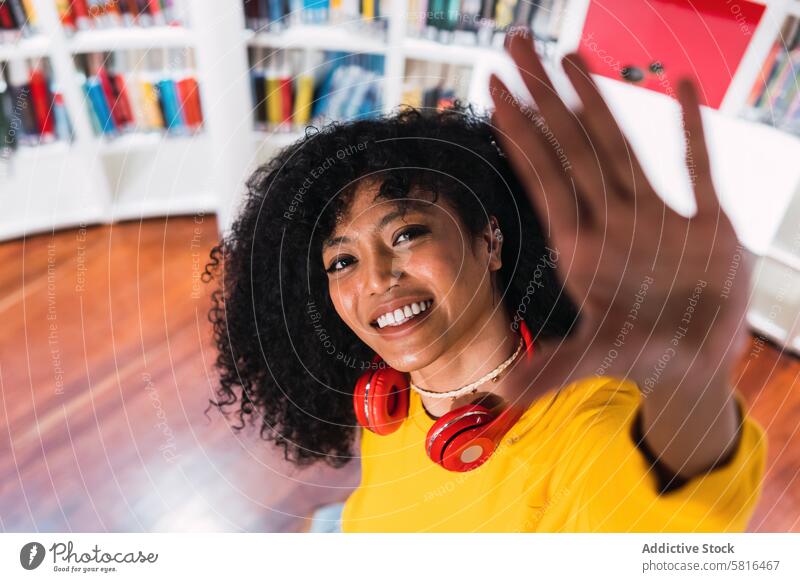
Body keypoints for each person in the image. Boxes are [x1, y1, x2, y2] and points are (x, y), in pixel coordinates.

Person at [203, 31, 766, 532]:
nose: (376, 279)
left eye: (406, 234)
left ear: (489, 240)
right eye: (342, 262)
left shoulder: (579, 431)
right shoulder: (392, 403)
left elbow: (673, 517)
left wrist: (690, 386)